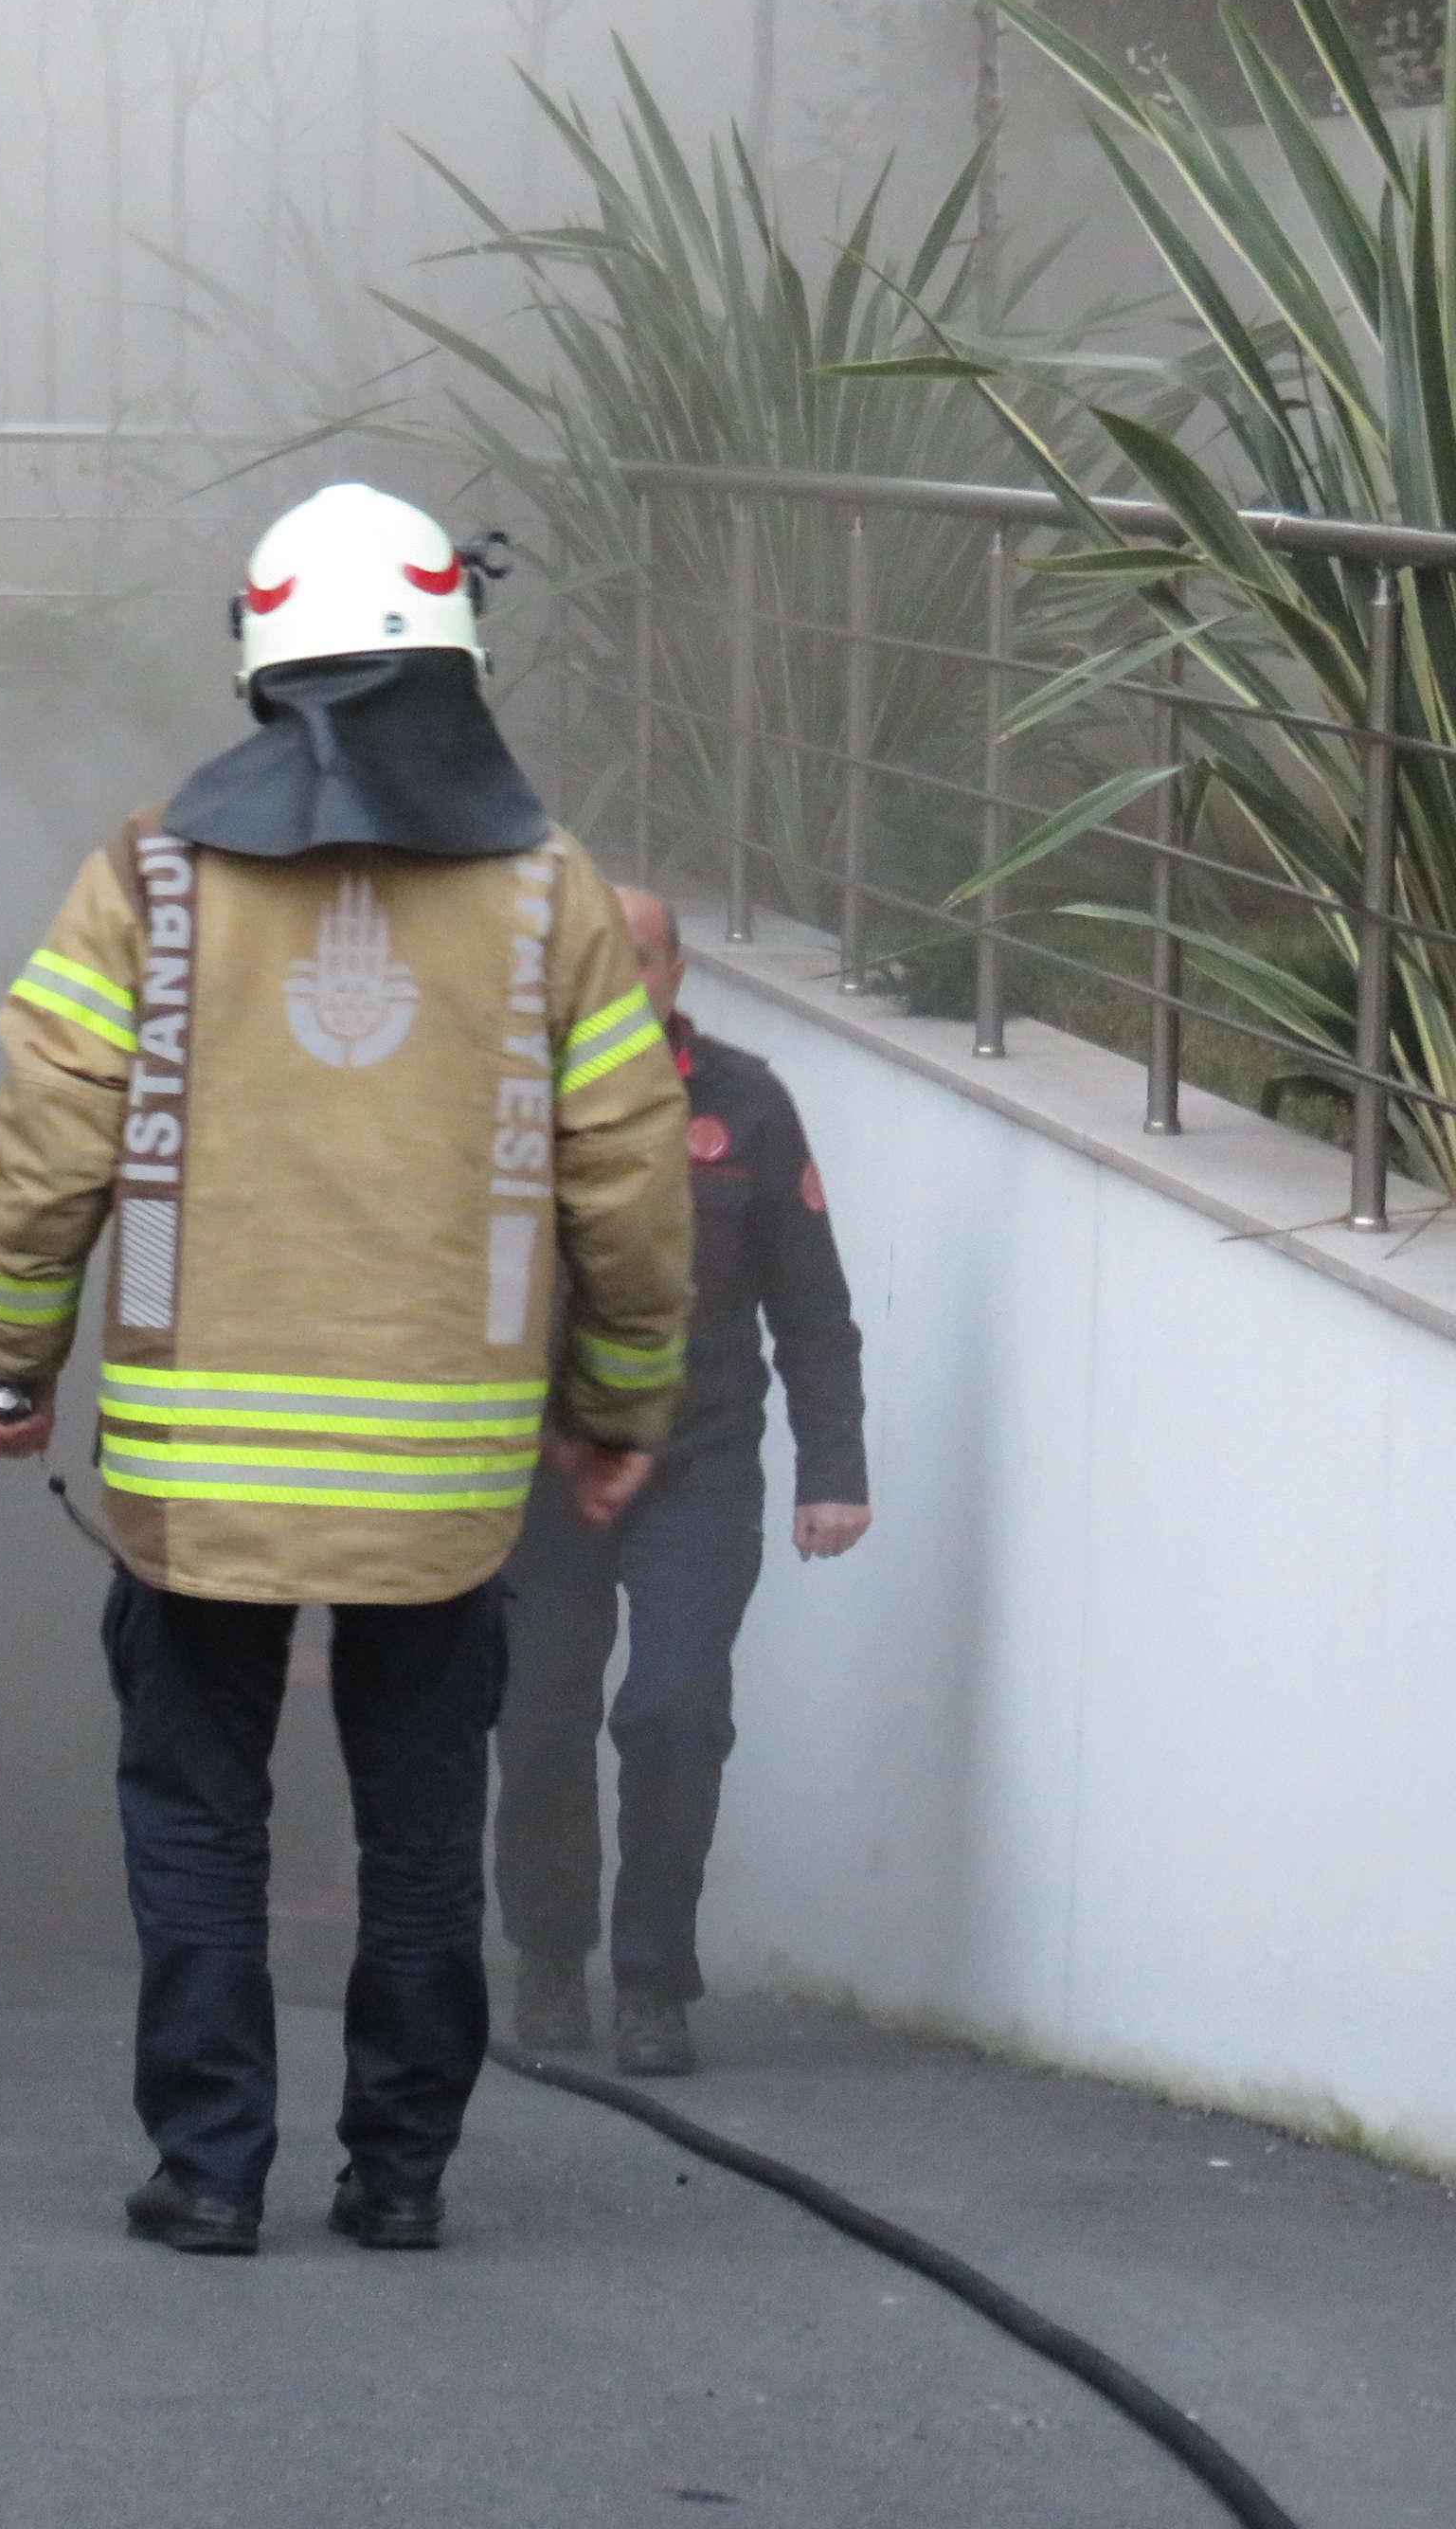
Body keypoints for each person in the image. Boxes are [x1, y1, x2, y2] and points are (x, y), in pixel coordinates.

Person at [0, 479, 694, 2256]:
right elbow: (628, 1172)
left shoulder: (149, 872)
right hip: (442, 1489)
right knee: (423, 1833)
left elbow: (50, 1144)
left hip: (192, 1476)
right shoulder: (550, 891)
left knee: (198, 1824)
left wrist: (8, 1363)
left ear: (260, 661)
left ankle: (214, 2171)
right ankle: (403, 2173)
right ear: (461, 655)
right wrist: (617, 1407)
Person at [494, 888, 870, 2079]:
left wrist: (834, 1471)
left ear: (674, 973)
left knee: (672, 1711)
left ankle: (653, 1981)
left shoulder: (747, 1104)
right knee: (538, 1718)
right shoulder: (504, 1103)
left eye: (639, 959)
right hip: (540, 1470)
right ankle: (549, 1955)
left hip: (697, 1463)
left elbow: (811, 1307)